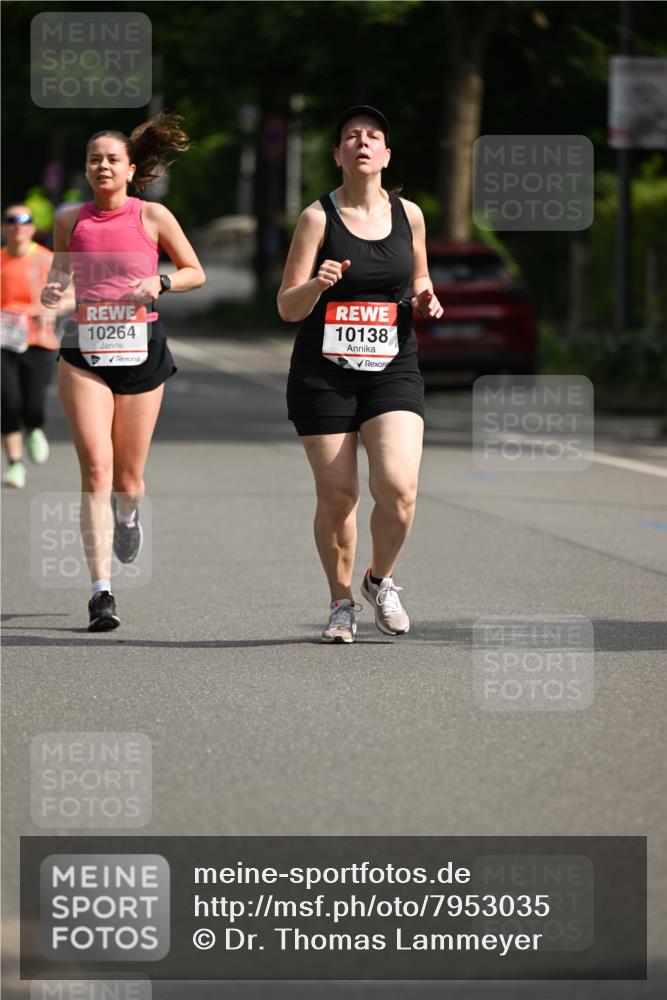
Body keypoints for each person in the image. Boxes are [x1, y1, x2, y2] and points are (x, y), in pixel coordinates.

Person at [277, 106, 443, 644]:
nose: (363, 143)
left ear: (386, 155)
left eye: (373, 137)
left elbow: (418, 276)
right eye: (352, 137)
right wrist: (317, 283)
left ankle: (380, 580)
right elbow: (287, 306)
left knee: (398, 486)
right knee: (339, 495)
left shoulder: (410, 215)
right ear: (338, 154)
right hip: (323, 375)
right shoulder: (317, 218)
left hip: (392, 367)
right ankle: (341, 603)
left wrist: (426, 295)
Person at [41, 112, 205, 631]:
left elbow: (194, 271)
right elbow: (62, 276)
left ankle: (128, 513)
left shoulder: (152, 216)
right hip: (84, 349)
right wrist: (54, 291)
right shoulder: (70, 220)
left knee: (127, 479)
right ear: (86, 169)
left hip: (140, 349)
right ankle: (101, 593)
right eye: (95, 160)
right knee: (96, 469)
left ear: (131, 169)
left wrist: (161, 282)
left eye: (112, 159)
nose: (103, 166)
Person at [1, 205, 64, 488]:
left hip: (39, 341)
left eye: (24, 221)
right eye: (11, 221)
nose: (18, 226)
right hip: (4, 343)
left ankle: (35, 427)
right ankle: (14, 464)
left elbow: (72, 295)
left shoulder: (46, 259)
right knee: (8, 401)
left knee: (34, 404)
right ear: (4, 227)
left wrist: (53, 308)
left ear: (32, 228)